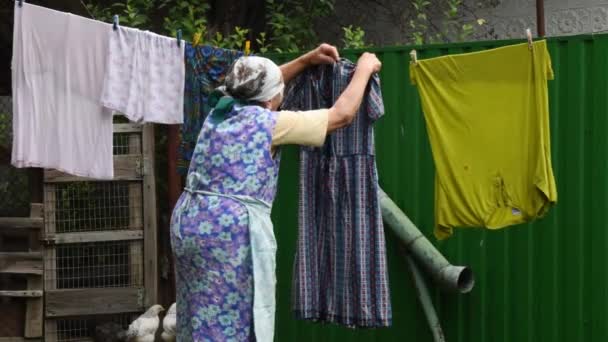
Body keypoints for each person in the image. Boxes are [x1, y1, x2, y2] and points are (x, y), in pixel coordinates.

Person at [170, 43, 382, 341]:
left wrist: (306, 59)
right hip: (228, 233)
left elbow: (255, 86)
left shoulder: (220, 109)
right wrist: (364, 69)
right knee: (231, 316)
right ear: (271, 99)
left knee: (201, 310)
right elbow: (341, 115)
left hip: (189, 222)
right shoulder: (272, 124)